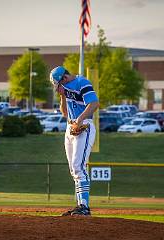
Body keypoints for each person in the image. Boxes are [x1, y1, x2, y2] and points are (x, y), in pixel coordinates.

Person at [50, 66, 99, 216]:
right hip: (70, 128)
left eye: (59, 84)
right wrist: (63, 96)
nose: (59, 87)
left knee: (79, 166)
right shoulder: (64, 89)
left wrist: (80, 119)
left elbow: (94, 104)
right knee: (74, 169)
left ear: (64, 78)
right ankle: (80, 206)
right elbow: (65, 113)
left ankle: (84, 206)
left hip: (84, 126)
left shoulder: (81, 82)